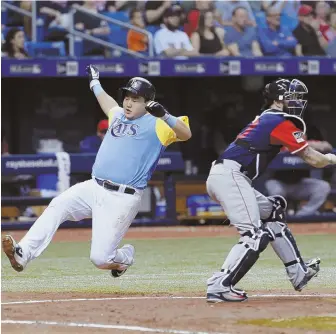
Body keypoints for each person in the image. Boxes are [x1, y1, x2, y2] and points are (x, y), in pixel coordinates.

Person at [2, 65, 192, 277]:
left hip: (122, 196)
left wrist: (165, 115)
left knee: (100, 259)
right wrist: (95, 83)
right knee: (58, 205)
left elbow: (186, 134)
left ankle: (125, 257)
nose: (128, 102)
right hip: (94, 186)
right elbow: (108, 102)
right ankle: (23, 253)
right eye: (127, 97)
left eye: (135, 99)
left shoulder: (158, 123)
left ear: (148, 103)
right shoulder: (119, 114)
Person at [205, 78, 336, 303]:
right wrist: (330, 159)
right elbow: (312, 158)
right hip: (231, 176)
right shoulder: (280, 120)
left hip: (228, 175)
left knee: (272, 211)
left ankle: (298, 272)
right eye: (293, 98)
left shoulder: (268, 118)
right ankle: (220, 284)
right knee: (254, 236)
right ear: (279, 99)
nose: (297, 103)